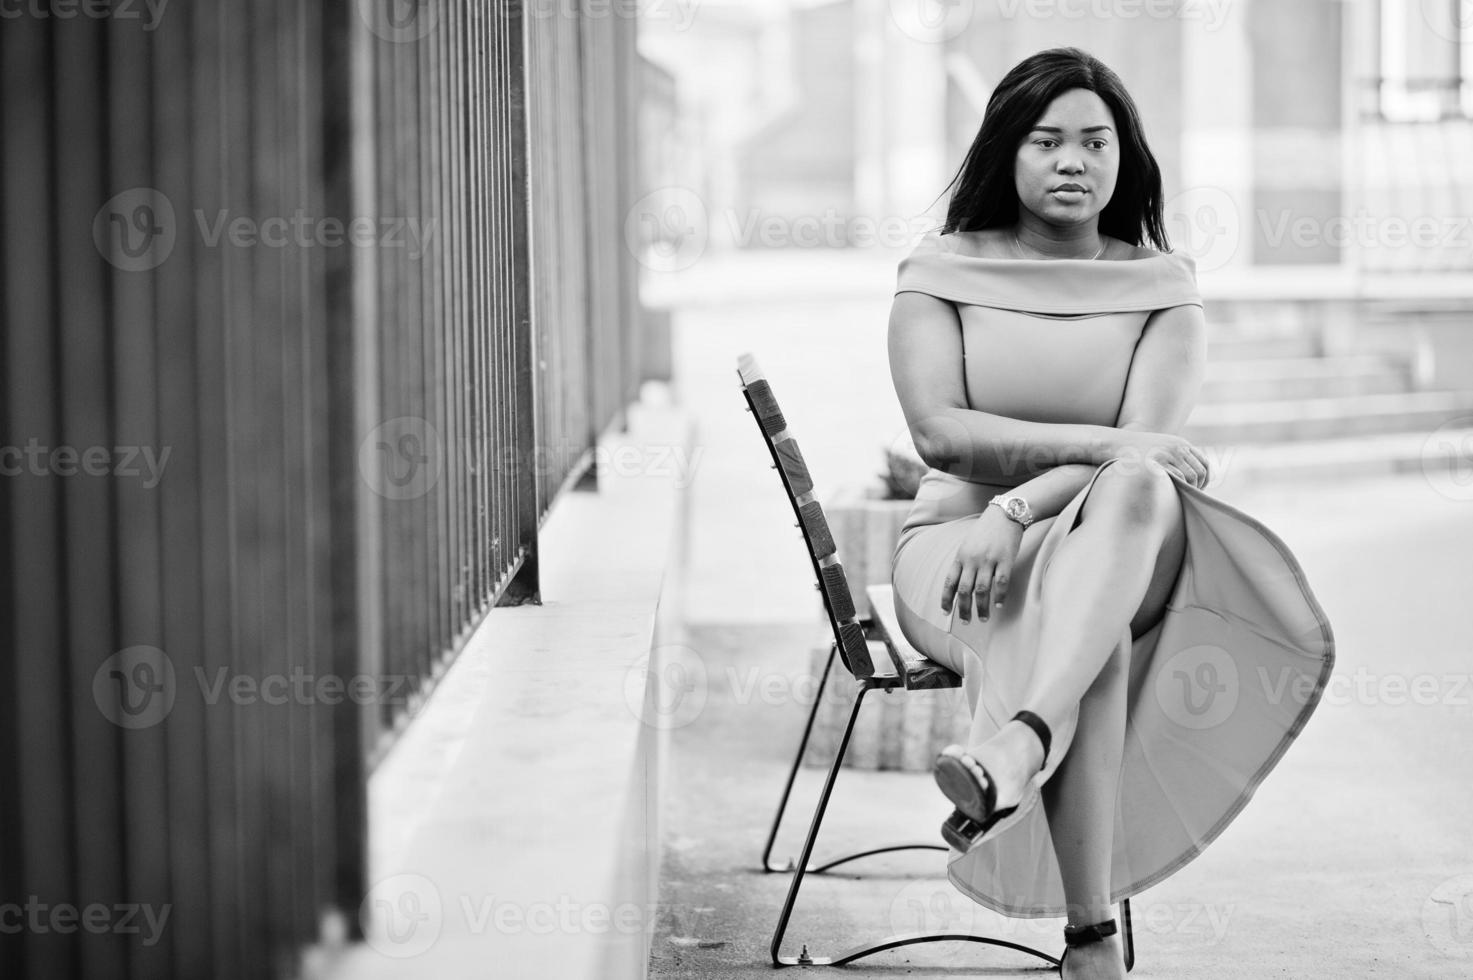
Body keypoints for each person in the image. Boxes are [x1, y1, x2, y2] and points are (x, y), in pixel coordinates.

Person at [886, 47, 1335, 980]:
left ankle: (1021, 744)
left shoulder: (1163, 287)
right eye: (1046, 141)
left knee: (1134, 492)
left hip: (1109, 530)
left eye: (1094, 142)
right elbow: (939, 435)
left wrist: (1022, 500)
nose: (1071, 162)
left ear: (1122, 157)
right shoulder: (939, 269)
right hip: (961, 556)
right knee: (1091, 634)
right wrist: (1069, 467)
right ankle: (1088, 933)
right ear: (1006, 152)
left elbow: (1141, 459)